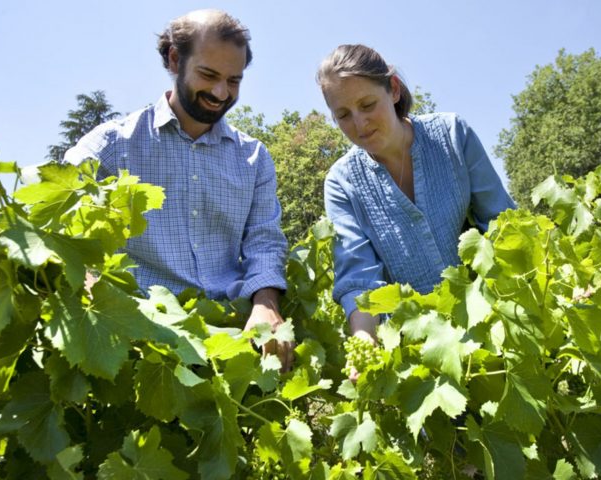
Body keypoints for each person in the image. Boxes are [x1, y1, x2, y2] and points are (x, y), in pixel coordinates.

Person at [64, 9, 292, 369]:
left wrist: (265, 305)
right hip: (142, 345)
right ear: (174, 58)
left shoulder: (254, 158)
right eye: (208, 75)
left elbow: (264, 241)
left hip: (233, 340)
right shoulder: (112, 145)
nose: (221, 92)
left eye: (234, 80)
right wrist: (91, 288)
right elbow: (56, 218)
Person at [317, 44, 515, 355]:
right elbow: (359, 277)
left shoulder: (452, 135)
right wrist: (364, 341)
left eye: (367, 105)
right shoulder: (342, 183)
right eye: (343, 115)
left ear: (393, 90)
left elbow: (502, 225)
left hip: (491, 326)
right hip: (419, 353)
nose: (359, 123)